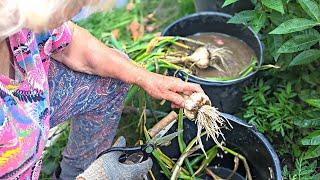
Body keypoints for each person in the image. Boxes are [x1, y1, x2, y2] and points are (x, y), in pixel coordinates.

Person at [0, 0, 203, 179]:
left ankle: (70, 174)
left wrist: (149, 79)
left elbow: (74, 44)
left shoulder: (20, 21)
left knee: (112, 78)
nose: (83, 8)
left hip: (29, 101)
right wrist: (96, 177)